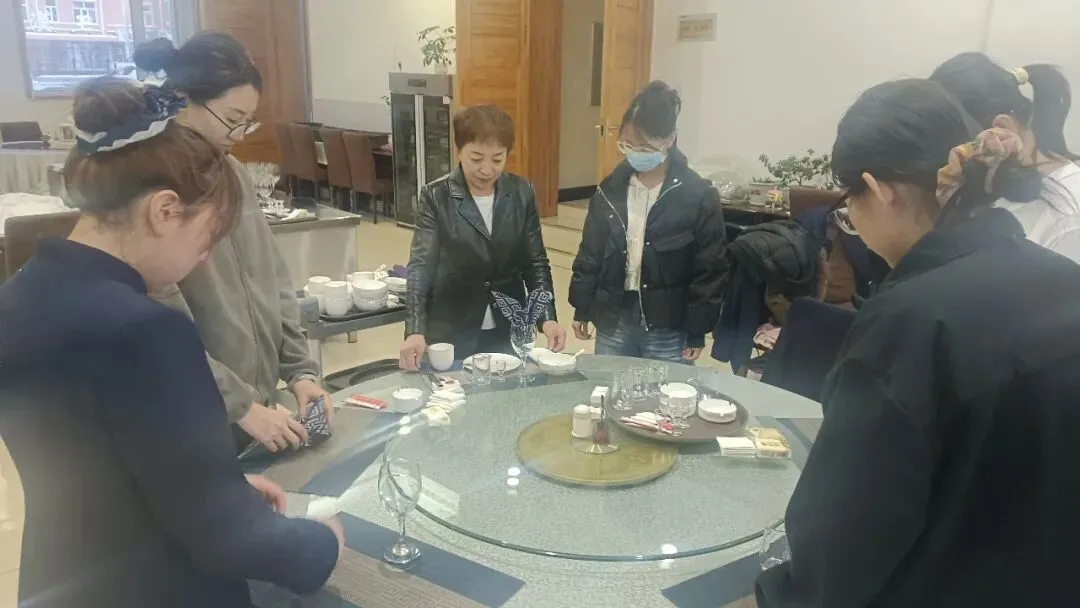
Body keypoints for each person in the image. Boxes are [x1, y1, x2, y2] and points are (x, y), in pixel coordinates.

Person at [0, 77, 342, 607]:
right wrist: (322, 545)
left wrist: (214, 488)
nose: (204, 259)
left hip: (64, 576)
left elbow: (107, 466)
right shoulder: (147, 330)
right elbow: (228, 540)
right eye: (208, 238)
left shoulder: (18, 295)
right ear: (164, 210)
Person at [756, 79, 1080, 607]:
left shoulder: (908, 322)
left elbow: (845, 541)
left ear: (878, 189)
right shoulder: (1065, 281)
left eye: (849, 208)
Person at [134, 34, 332, 453]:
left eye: (248, 121)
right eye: (232, 118)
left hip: (256, 406)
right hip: (197, 412)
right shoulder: (159, 188)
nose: (239, 134)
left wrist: (300, 371)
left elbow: (272, 277)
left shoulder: (234, 172)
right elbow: (162, 324)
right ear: (185, 99)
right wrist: (237, 403)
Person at [568, 81, 727, 363]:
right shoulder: (610, 189)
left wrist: (697, 330)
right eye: (628, 144)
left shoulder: (697, 195)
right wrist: (583, 306)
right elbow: (591, 252)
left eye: (644, 146)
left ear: (669, 140)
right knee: (607, 385)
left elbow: (708, 270)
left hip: (667, 324)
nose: (634, 152)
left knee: (662, 389)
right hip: (614, 316)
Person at [399, 105, 565, 369]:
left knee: (508, 389)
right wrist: (415, 329)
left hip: (508, 324)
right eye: (476, 159)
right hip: (453, 324)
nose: (487, 169)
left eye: (497, 160)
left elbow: (535, 262)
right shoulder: (436, 196)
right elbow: (421, 267)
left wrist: (547, 317)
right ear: (459, 151)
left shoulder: (521, 193)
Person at [931, 53, 1080, 262]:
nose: (949, 164)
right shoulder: (993, 187)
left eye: (954, 150)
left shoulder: (1070, 216)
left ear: (1001, 129)